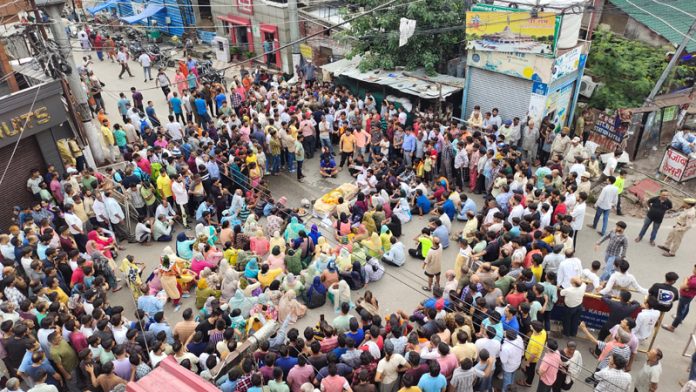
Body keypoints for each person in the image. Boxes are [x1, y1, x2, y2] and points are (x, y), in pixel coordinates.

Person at [663, 264, 696, 333]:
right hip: (690, 295)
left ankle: (672, 327)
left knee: (680, 312)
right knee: (686, 307)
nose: (693, 269)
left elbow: (682, 286)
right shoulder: (694, 277)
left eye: (694, 268)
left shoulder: (694, 281)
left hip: (686, 296)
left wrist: (686, 280)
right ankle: (681, 319)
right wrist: (686, 281)